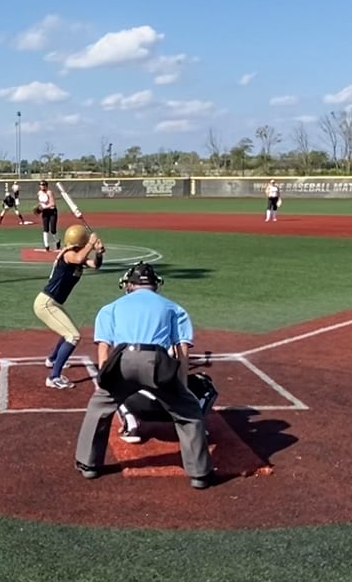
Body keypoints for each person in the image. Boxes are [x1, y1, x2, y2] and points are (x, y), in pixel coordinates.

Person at [74, 262, 216, 489]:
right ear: (155, 284)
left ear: (129, 285)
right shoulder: (173, 308)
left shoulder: (111, 307)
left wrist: (105, 383)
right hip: (156, 362)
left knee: (98, 408)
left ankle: (88, 464)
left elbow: (104, 349)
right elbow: (182, 351)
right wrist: (181, 386)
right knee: (189, 412)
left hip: (122, 360)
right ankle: (199, 474)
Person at [34, 224, 105, 390]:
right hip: (46, 303)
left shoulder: (77, 255)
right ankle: (54, 377)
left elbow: (95, 265)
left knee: (68, 331)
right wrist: (91, 244)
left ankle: (52, 359)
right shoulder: (68, 254)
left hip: (53, 303)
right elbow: (78, 258)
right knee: (73, 336)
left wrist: (99, 253)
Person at [35, 180, 59, 250]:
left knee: (53, 230)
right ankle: (46, 245)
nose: (42, 186)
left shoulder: (49, 192)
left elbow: (53, 203)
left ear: (46, 186)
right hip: (45, 212)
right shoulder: (39, 193)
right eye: (41, 185)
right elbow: (40, 202)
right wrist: (39, 207)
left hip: (52, 211)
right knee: (45, 229)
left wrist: (44, 207)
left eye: (44, 185)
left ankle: (57, 241)